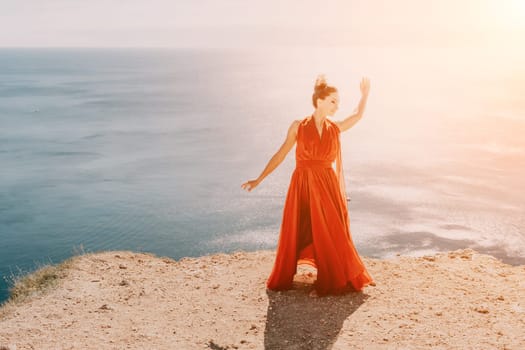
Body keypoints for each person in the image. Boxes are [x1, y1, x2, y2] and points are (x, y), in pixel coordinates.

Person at [241, 75, 376, 297]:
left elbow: (358, 115)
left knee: (330, 230)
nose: (337, 105)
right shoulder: (298, 126)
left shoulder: (336, 127)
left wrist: (365, 95)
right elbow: (281, 154)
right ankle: (297, 275)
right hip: (303, 184)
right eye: (333, 100)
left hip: (327, 184)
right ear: (319, 100)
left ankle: (330, 279)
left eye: (338, 101)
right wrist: (259, 179)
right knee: (304, 227)